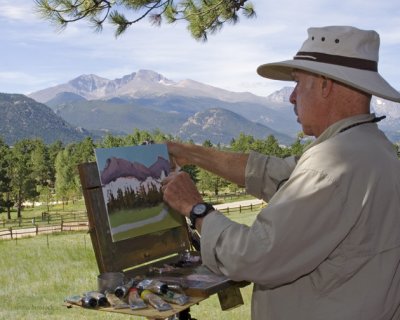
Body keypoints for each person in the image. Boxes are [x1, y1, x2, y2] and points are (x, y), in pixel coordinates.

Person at [162, 26, 400, 320]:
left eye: (298, 83)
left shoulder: (331, 165)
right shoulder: (371, 148)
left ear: (326, 85)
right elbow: (277, 174)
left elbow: (254, 257)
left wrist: (196, 209)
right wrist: (193, 154)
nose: (291, 96)